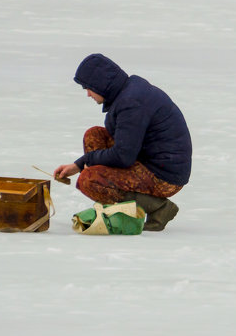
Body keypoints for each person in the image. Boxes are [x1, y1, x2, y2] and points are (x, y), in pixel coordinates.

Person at [54, 53, 192, 232]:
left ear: (100, 84)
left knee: (89, 180)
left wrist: (82, 165)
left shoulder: (131, 103)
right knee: (95, 135)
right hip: (150, 160)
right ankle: (124, 202)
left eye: (88, 88)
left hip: (164, 175)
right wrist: (81, 163)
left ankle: (158, 207)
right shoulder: (128, 91)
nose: (88, 94)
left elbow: (123, 156)